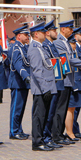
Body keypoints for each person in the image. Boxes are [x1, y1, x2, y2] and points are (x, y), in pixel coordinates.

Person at [52, 20, 81, 145]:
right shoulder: (59, 42)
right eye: (70, 29)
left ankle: (60, 134)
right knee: (60, 110)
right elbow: (68, 60)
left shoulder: (65, 42)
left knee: (63, 109)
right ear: (63, 29)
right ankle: (57, 135)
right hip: (63, 80)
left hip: (68, 80)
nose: (72, 31)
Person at [27, 22, 57, 151]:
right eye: (43, 32)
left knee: (44, 115)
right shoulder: (34, 48)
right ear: (36, 34)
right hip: (41, 89)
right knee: (39, 116)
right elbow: (37, 71)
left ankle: (42, 140)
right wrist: (45, 89)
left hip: (46, 87)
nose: (45, 34)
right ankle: (37, 142)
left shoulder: (41, 47)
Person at [42, 19, 64, 149]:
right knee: (48, 112)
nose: (56, 32)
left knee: (52, 112)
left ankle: (48, 136)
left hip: (56, 81)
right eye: (54, 30)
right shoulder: (45, 45)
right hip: (50, 82)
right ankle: (45, 137)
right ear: (48, 33)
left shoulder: (51, 45)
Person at [8, 24, 30, 140]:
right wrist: (26, 76)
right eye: (25, 35)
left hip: (24, 83)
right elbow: (17, 64)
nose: (28, 37)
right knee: (16, 108)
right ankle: (13, 131)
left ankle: (19, 129)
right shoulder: (16, 48)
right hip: (17, 82)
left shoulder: (24, 47)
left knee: (21, 108)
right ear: (19, 36)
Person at [65, 27, 81, 142]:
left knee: (76, 109)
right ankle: (71, 130)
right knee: (72, 109)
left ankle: (74, 129)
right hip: (74, 81)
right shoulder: (71, 50)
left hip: (79, 81)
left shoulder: (80, 49)